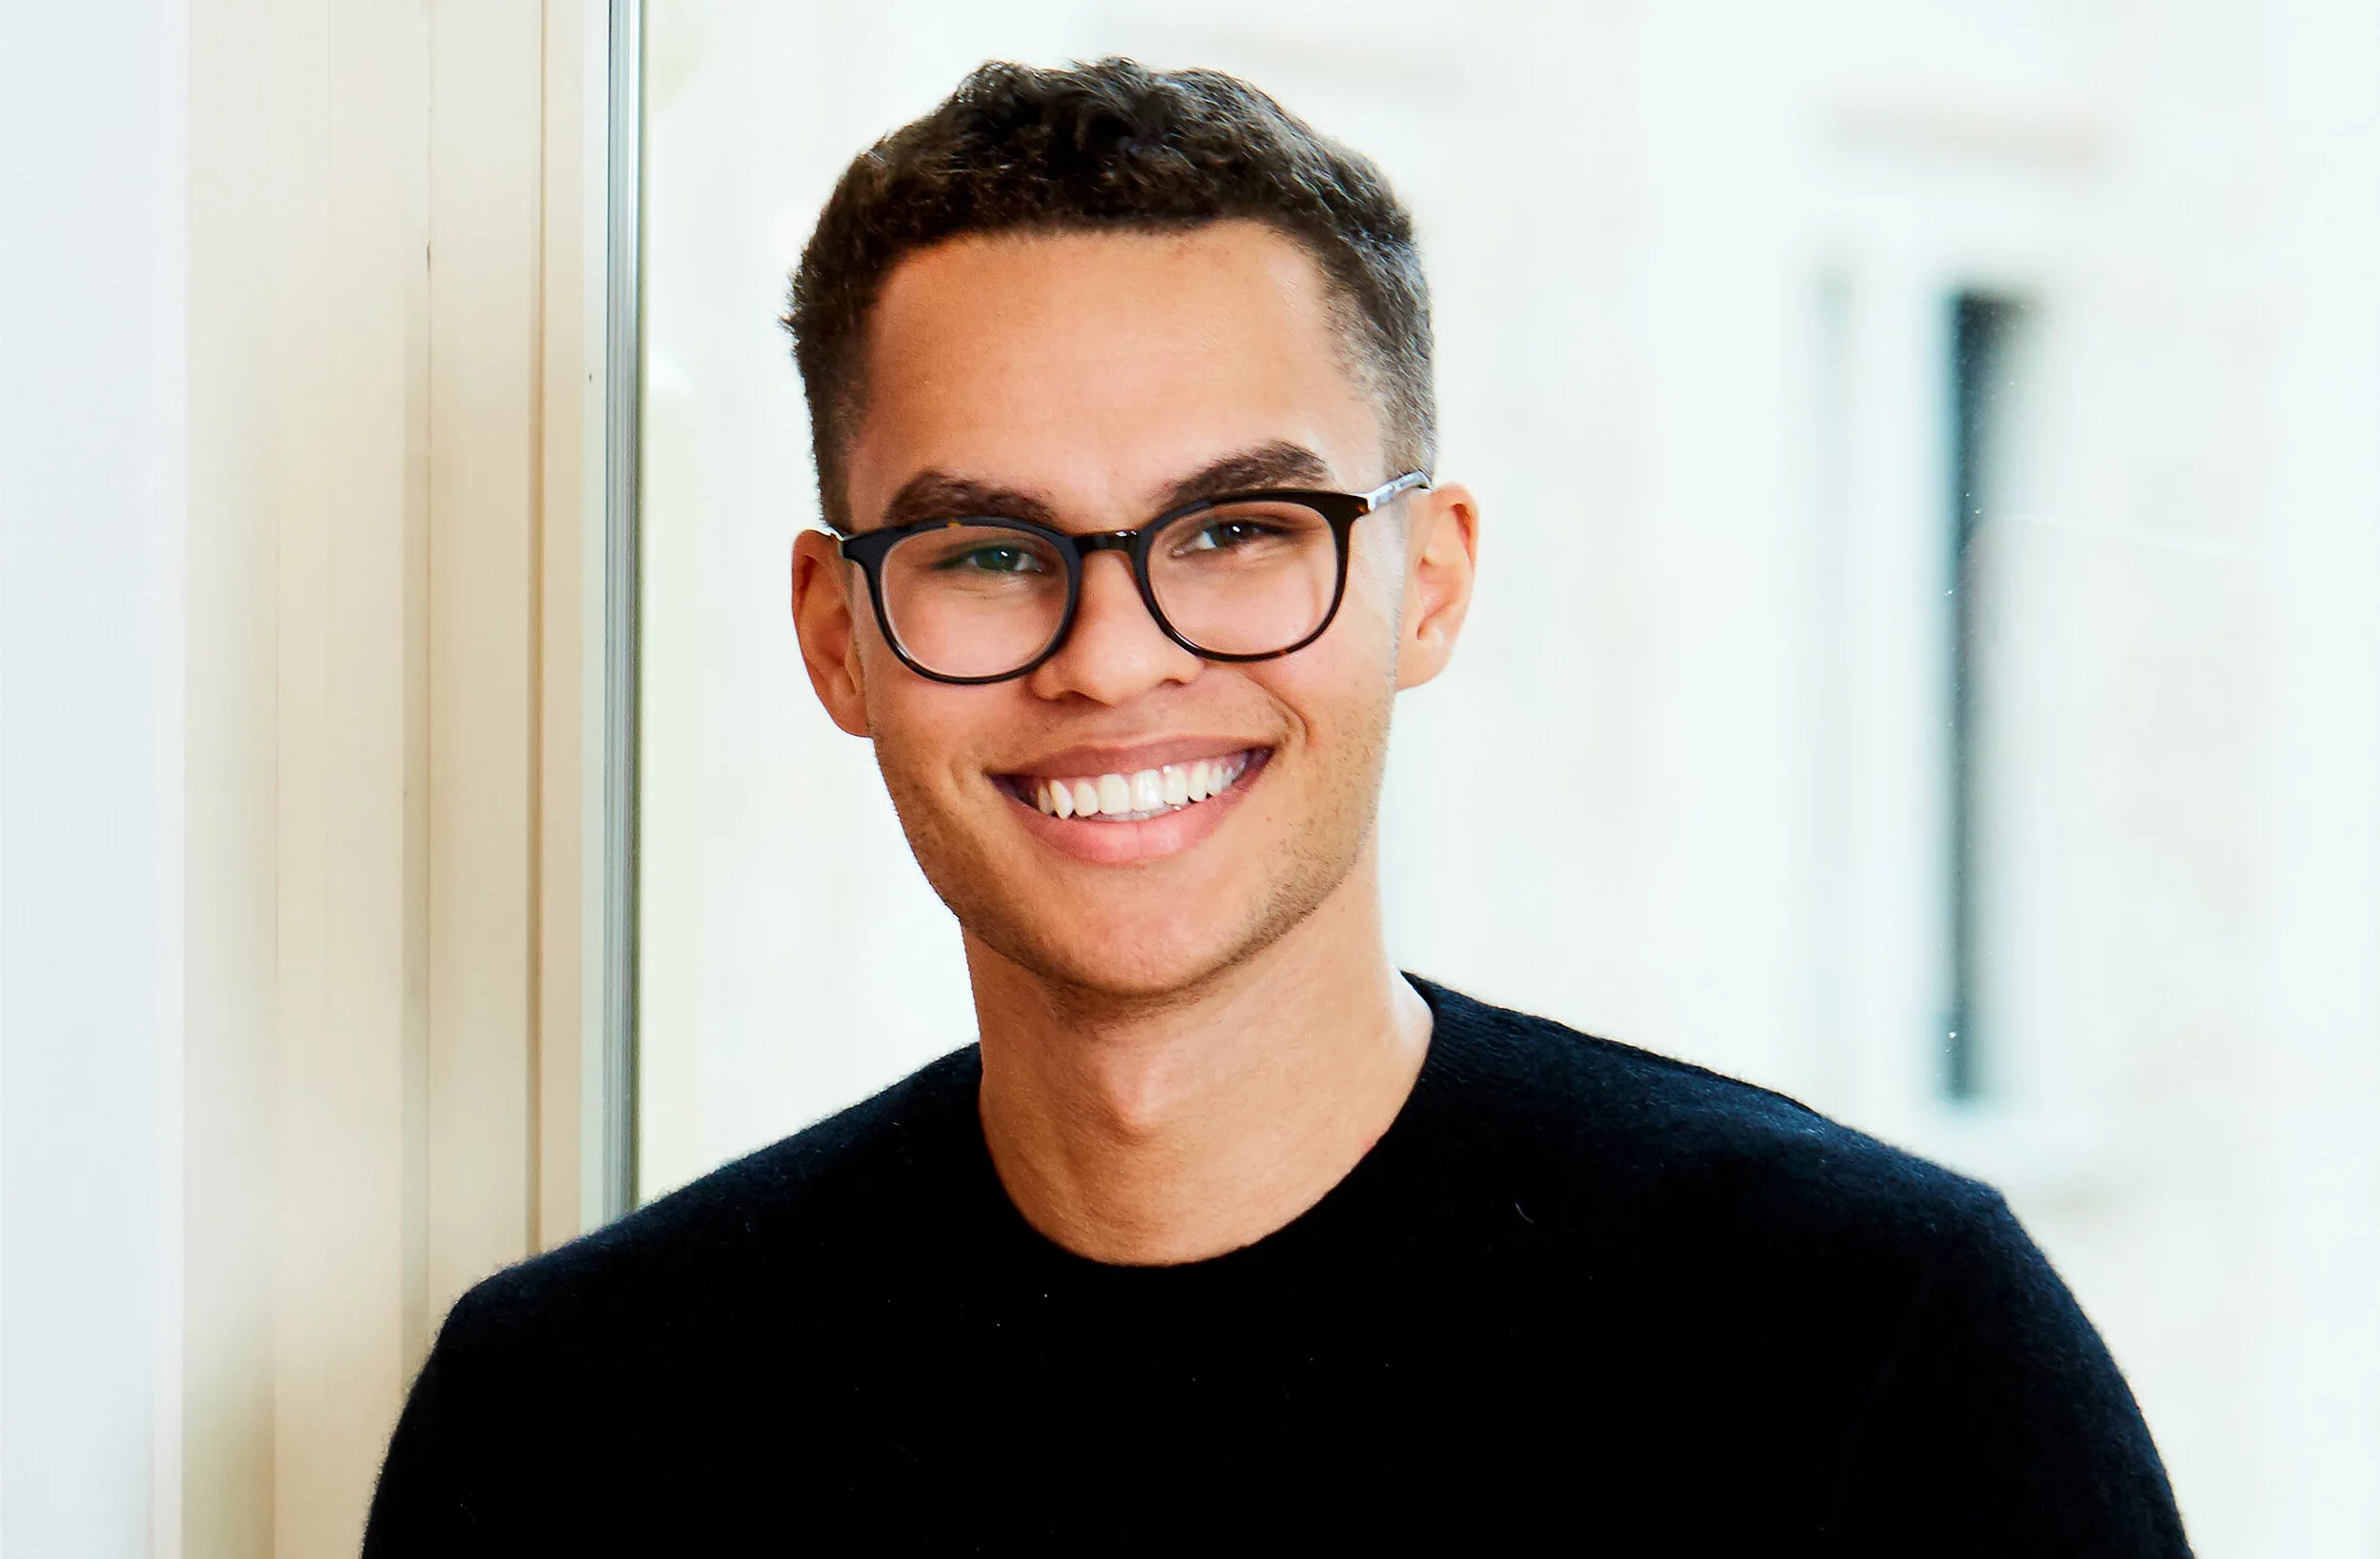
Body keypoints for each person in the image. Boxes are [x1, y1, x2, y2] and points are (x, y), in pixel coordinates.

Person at [364, 58, 2192, 1554]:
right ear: (839, 638)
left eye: (1235, 532)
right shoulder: (574, 1422)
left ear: (1431, 581)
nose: (1112, 656)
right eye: (990, 550)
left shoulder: (1880, 1357)